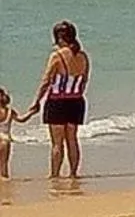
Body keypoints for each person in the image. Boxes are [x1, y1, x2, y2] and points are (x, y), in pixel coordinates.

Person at [31, 21, 88, 179]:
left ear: (59, 37)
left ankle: (55, 175)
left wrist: (36, 102)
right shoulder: (83, 56)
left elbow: (46, 81)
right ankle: (73, 174)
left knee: (57, 143)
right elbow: (84, 81)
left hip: (57, 102)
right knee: (72, 139)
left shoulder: (56, 56)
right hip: (77, 101)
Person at [0, 88, 30, 179]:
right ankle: (4, 179)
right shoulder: (10, 111)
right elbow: (21, 119)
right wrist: (31, 113)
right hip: (5, 139)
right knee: (4, 163)